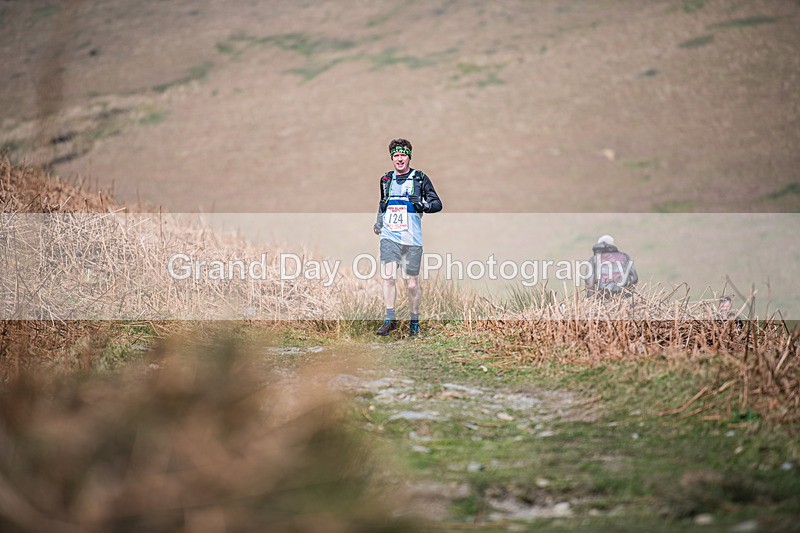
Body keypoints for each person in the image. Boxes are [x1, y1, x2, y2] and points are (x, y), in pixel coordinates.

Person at [372, 138, 442, 336]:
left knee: (411, 284)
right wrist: (379, 222)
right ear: (392, 158)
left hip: (412, 240)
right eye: (396, 156)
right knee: (388, 276)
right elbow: (382, 203)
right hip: (390, 236)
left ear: (409, 157)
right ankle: (389, 319)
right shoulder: (386, 180)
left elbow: (437, 204)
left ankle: (414, 322)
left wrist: (424, 206)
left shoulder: (420, 178)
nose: (399, 159)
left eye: (403, 155)